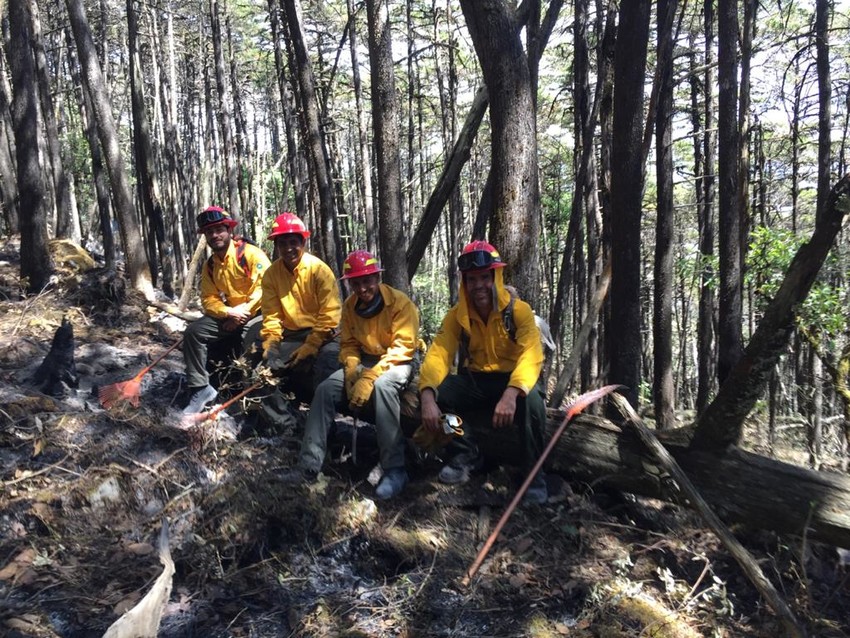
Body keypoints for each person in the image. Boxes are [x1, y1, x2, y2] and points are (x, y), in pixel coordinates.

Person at [418, 240, 549, 504]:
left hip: (514, 381)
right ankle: (465, 449)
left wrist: (512, 393)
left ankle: (534, 474)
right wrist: (427, 395)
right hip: (477, 381)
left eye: (483, 278)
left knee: (534, 402)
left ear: (495, 277)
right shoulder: (457, 316)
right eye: (471, 279)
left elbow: (532, 355)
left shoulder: (519, 312)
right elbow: (439, 353)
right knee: (442, 396)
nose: (478, 285)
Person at [296, 250, 420, 500]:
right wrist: (352, 367)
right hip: (365, 360)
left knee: (384, 387)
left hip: (399, 360)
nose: (363, 288)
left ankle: (395, 469)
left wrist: (369, 378)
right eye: (356, 283)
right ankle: (309, 464)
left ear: (377, 278)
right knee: (326, 389)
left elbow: (403, 347)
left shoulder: (399, 303)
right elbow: (349, 343)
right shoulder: (350, 307)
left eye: (367, 281)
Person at [183, 206, 271, 414]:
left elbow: (265, 288)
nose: (214, 235)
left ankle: (246, 399)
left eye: (219, 230)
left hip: (260, 313)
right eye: (209, 232)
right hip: (232, 313)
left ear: (229, 230)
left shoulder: (250, 254)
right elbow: (208, 299)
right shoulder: (211, 266)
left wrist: (242, 314)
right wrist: (228, 313)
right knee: (194, 332)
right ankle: (200, 388)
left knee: (246, 338)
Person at [259, 212, 342, 406]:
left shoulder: (319, 270)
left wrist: (312, 344)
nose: (288, 249)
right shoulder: (271, 275)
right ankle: (287, 423)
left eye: (293, 242)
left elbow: (330, 314)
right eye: (282, 243)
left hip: (325, 335)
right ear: (276, 246)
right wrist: (271, 346)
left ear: (302, 242)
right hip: (291, 335)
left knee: (327, 365)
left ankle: (326, 425)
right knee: (263, 373)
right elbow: (271, 315)